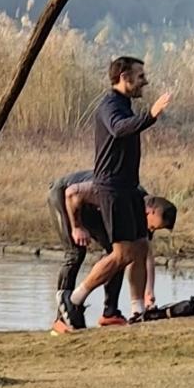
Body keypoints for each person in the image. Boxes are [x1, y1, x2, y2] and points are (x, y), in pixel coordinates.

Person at [70, 55, 173, 325]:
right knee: (121, 254)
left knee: (140, 247)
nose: (145, 81)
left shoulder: (125, 104)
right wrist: (150, 115)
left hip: (129, 188)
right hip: (112, 189)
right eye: (140, 77)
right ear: (124, 78)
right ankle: (73, 301)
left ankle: (138, 311)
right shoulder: (110, 105)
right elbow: (118, 129)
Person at [48, 171, 177, 332]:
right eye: (152, 226)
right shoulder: (123, 195)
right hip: (66, 196)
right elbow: (72, 193)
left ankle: (110, 313)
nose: (150, 230)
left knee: (119, 252)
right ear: (150, 211)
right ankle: (62, 316)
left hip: (93, 204)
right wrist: (77, 227)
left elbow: (145, 253)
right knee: (75, 254)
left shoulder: (138, 211)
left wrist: (148, 292)